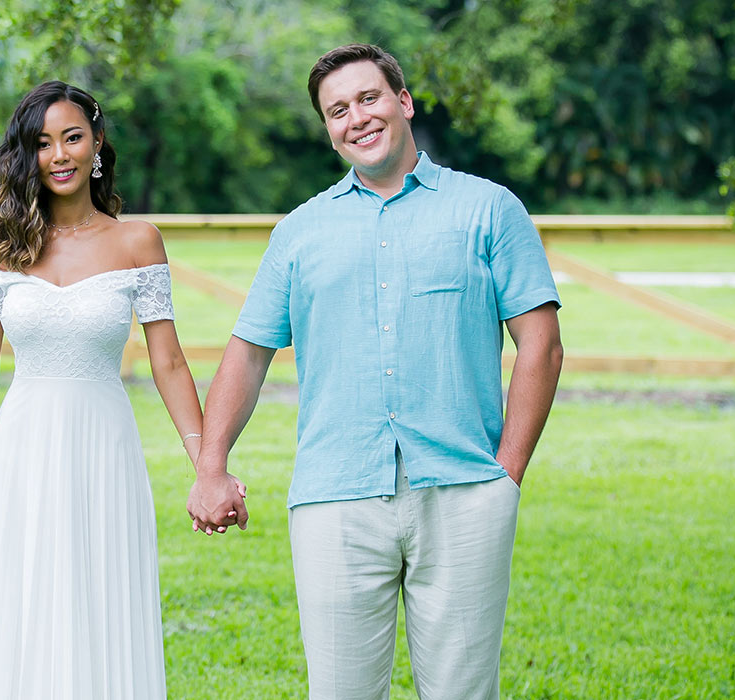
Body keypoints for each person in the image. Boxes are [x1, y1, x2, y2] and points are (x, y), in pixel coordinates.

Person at [187, 44, 564, 700]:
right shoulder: (299, 233)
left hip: (465, 488)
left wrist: (506, 474)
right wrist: (211, 465)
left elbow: (542, 343)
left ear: (404, 102)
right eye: (337, 110)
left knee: (462, 691)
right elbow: (247, 354)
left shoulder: (490, 210)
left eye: (368, 98)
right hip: (335, 495)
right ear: (328, 129)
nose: (356, 117)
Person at [0, 80, 224, 699]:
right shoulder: (0, 250)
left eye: (71, 138)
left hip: (105, 445)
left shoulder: (136, 241)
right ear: (26, 155)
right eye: (43, 143)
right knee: (23, 597)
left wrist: (207, 466)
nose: (59, 155)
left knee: (102, 595)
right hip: (23, 447)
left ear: (95, 144)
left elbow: (168, 362)